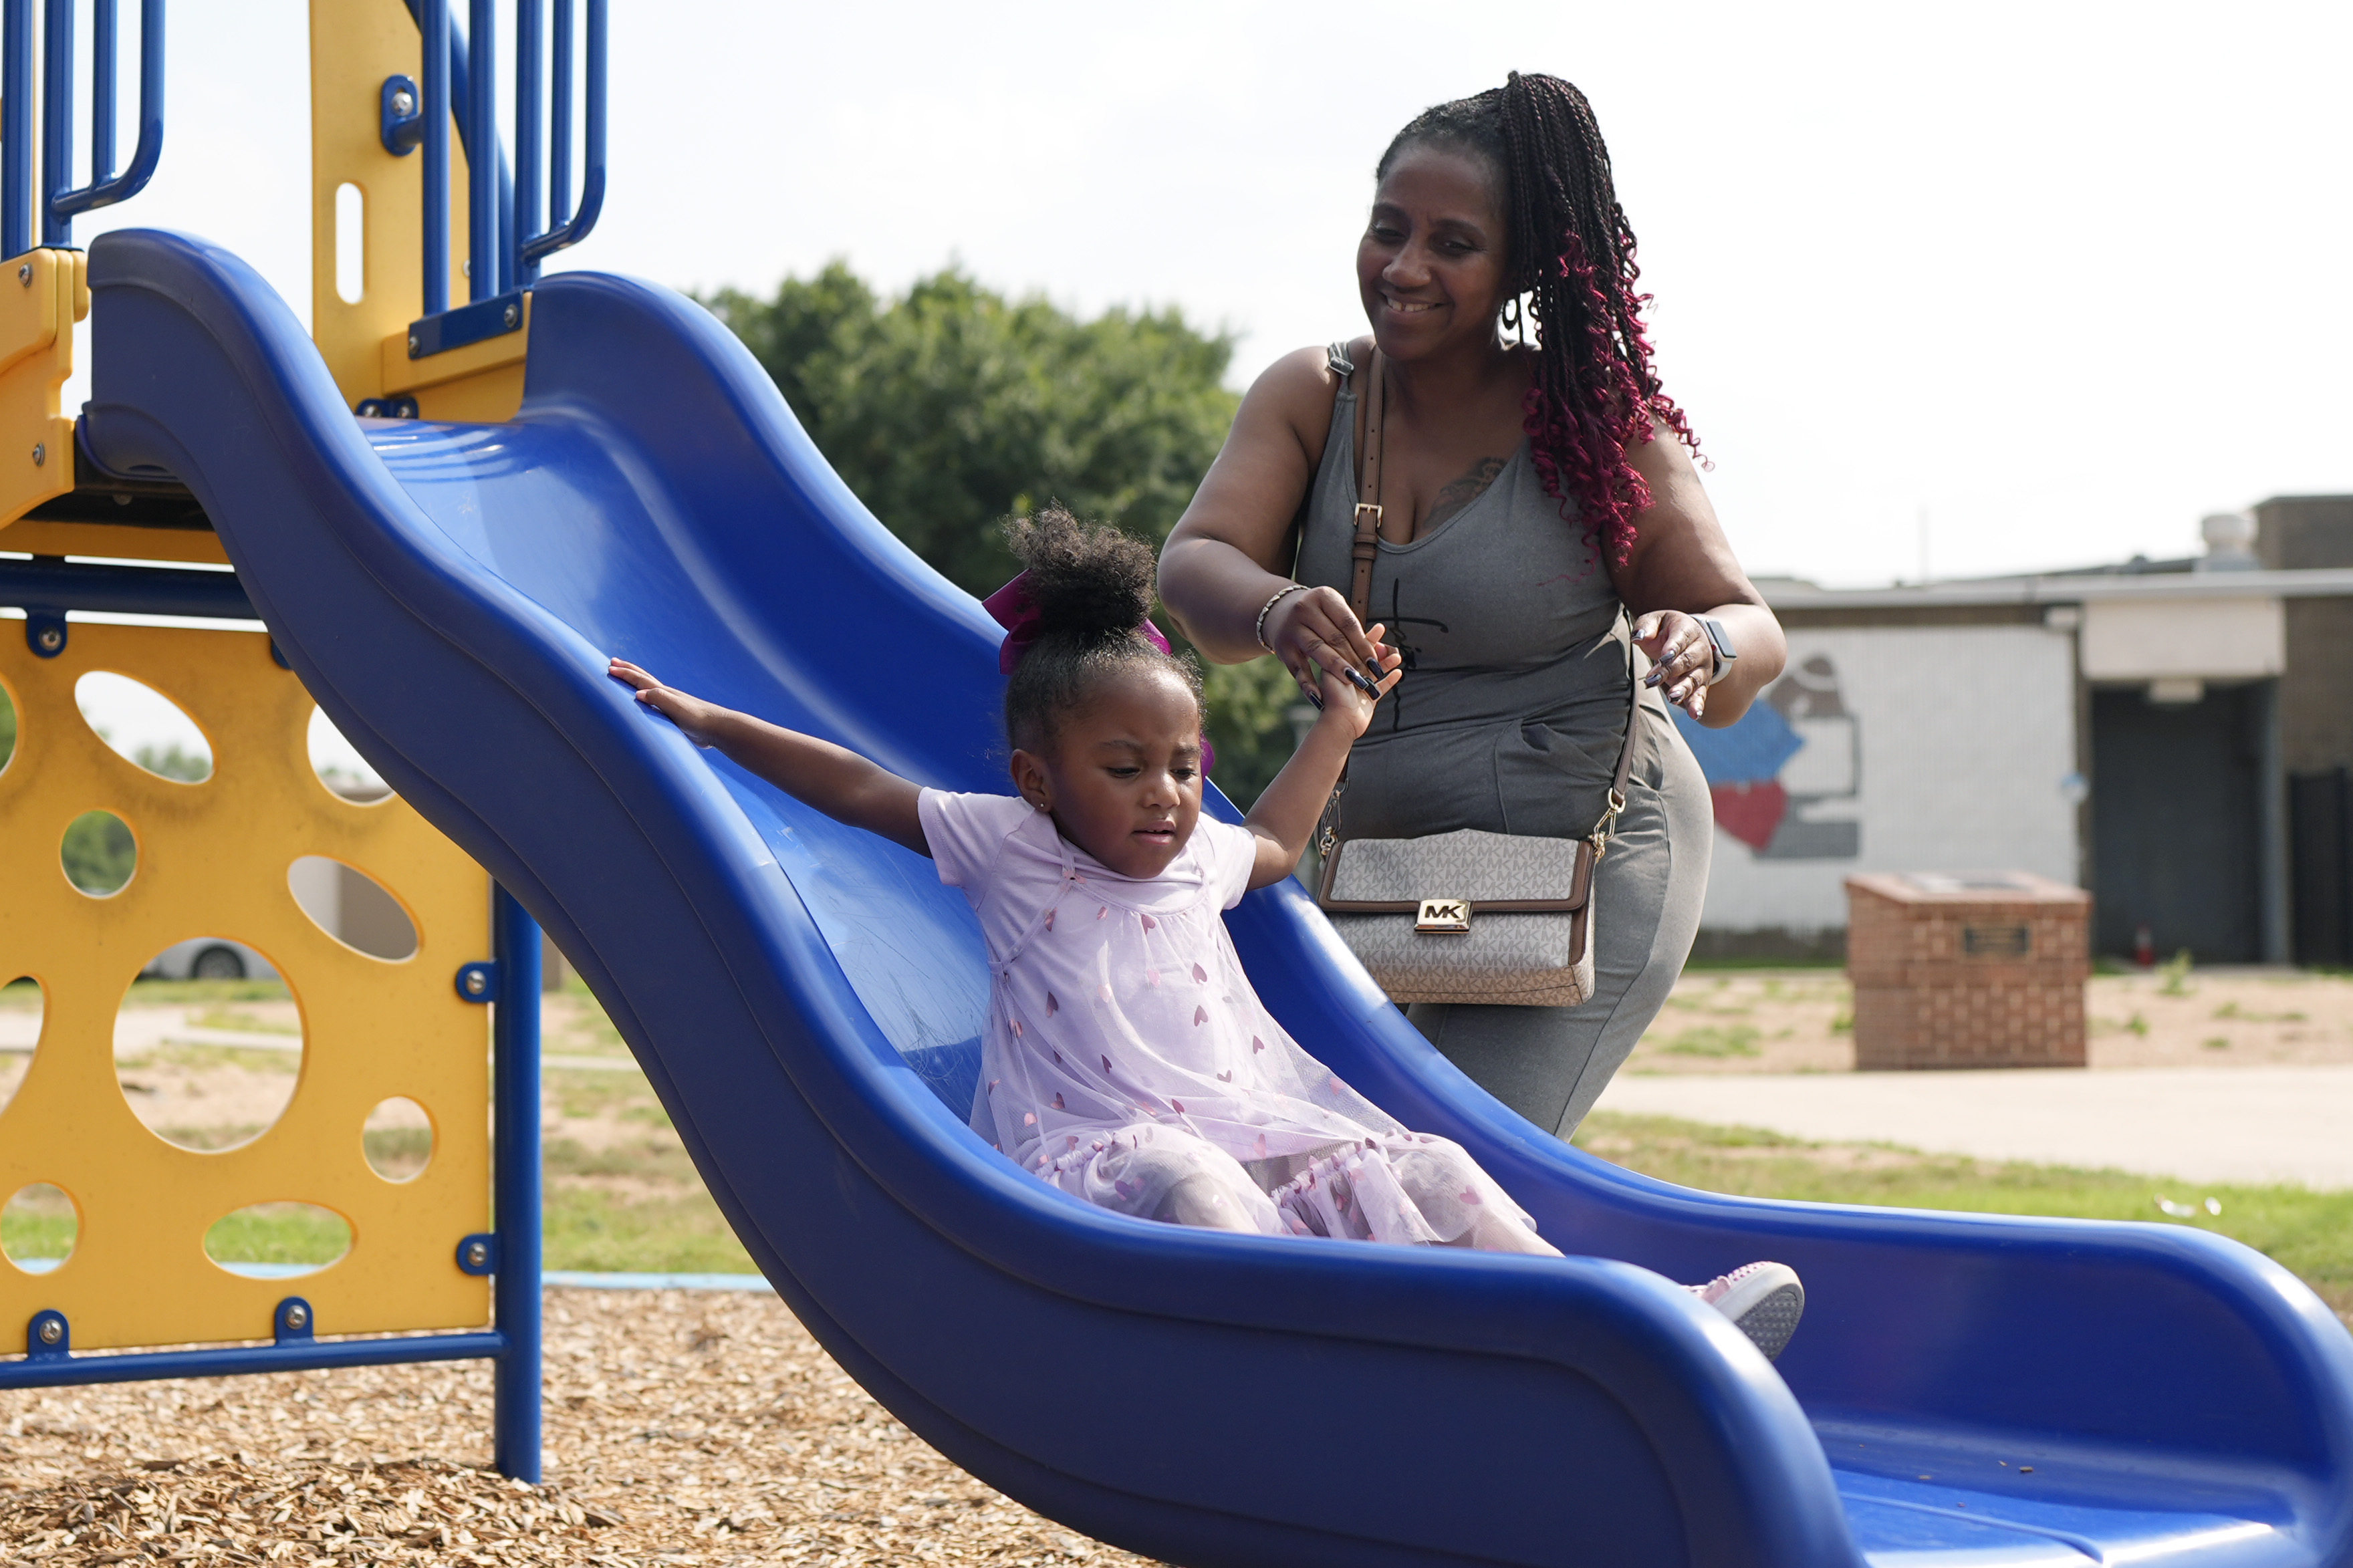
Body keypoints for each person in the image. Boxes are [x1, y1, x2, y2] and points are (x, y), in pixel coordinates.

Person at [608, 508, 1804, 1358]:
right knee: (1194, 1174)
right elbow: (862, 788)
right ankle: (1293, 1360)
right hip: (1090, 1152)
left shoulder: (1197, 858)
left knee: (1432, 1166)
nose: (1167, 794)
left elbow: (1277, 842)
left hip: (1256, 1135)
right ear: (1037, 778)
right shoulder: (1008, 846)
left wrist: (1341, 718)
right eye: (1125, 768)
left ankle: (1646, 1321)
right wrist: (712, 719)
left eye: (1183, 764)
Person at [1158, 72, 1787, 1140]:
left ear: (1520, 269)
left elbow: (1751, 629)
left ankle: (1679, 1307)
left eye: (1451, 244)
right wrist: (1273, 607)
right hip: (1379, 852)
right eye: (1386, 230)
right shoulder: (1314, 395)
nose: (1403, 269)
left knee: (1462, 1160)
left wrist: (1705, 642)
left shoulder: (1596, 423)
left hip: (1589, 849)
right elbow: (1196, 564)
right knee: (1302, 1144)